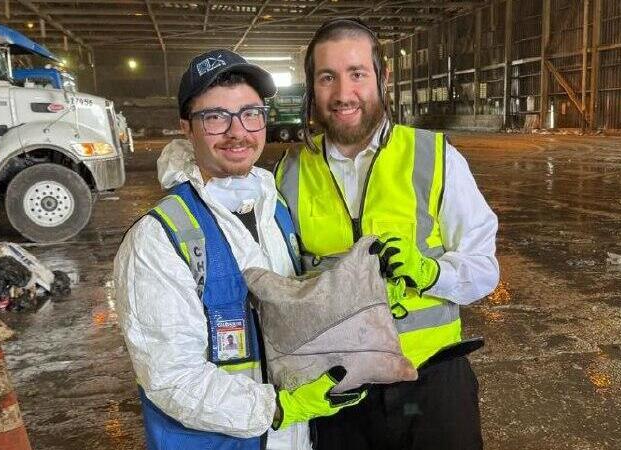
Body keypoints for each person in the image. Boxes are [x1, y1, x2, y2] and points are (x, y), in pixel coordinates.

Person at [114, 49, 363, 450]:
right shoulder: (159, 238)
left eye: (250, 113)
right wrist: (279, 408)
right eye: (215, 117)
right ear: (186, 127)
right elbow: (171, 378)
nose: (237, 132)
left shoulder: (274, 207)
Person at [274, 18, 500, 450]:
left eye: (357, 73)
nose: (344, 94)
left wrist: (430, 272)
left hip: (430, 385)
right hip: (336, 394)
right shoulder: (288, 174)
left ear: (382, 76)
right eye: (328, 77)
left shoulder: (434, 157)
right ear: (312, 86)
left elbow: (484, 269)